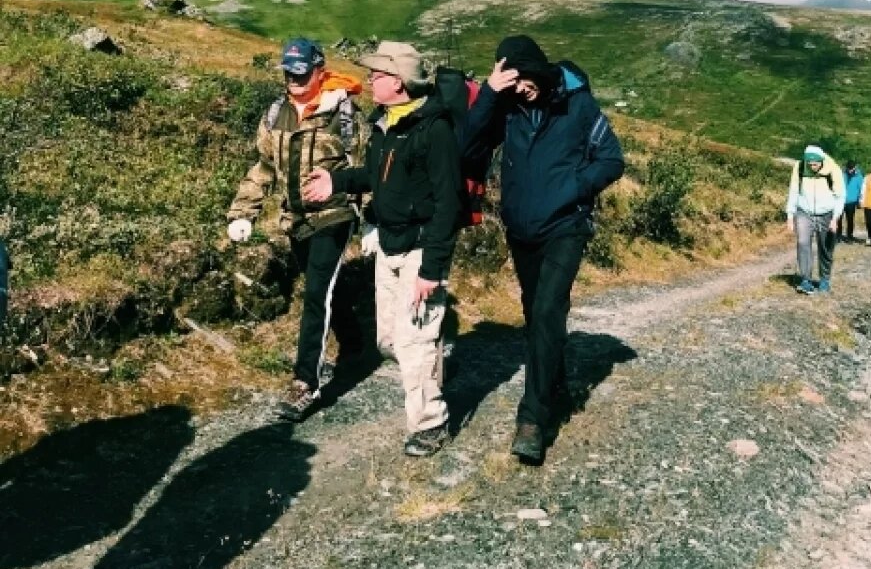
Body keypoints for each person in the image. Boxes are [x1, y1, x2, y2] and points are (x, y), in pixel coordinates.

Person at [461, 35, 624, 463]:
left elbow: (611, 159)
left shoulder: (578, 106)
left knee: (549, 309)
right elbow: (468, 149)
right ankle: (555, 387)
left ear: (537, 69)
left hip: (565, 227)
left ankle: (532, 419)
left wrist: (574, 188)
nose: (520, 89)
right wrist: (489, 96)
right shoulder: (507, 107)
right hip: (521, 229)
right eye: (510, 82)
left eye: (522, 79)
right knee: (536, 315)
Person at [302, 41, 462, 458]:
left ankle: (431, 424)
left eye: (377, 74)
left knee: (412, 342)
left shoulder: (434, 130)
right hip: (388, 245)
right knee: (389, 339)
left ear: (400, 81)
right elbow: (374, 175)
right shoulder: (384, 122)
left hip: (419, 248)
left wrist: (432, 268)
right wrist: (335, 182)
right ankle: (432, 364)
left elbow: (449, 205)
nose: (370, 80)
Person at [226, 38, 368, 422]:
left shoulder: (344, 113)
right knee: (324, 289)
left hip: (335, 215)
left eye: (301, 73)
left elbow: (364, 170)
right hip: (294, 219)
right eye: (288, 73)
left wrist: (371, 221)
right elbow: (264, 168)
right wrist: (244, 212)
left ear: (320, 71)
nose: (293, 80)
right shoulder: (276, 114)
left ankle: (306, 383)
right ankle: (355, 344)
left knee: (315, 293)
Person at [786, 145, 845, 294]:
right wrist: (790, 215)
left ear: (821, 161)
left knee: (825, 247)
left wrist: (835, 218)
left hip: (827, 213)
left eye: (815, 164)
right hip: (804, 211)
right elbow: (793, 190)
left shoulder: (833, 169)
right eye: (810, 164)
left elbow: (840, 195)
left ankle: (824, 279)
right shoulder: (799, 167)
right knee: (802, 243)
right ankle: (806, 280)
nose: (812, 167)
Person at [836, 160, 864, 242]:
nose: (850, 170)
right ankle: (838, 235)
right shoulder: (842, 174)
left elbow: (861, 189)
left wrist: (859, 200)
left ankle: (849, 236)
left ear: (855, 167)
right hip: (841, 200)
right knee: (839, 219)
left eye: (851, 168)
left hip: (852, 201)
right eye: (849, 168)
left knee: (850, 219)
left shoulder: (859, 176)